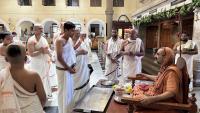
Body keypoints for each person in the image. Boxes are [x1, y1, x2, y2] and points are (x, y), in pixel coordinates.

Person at [133, 47, 182, 113]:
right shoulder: (166, 67)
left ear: (166, 57)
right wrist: (145, 75)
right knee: (136, 90)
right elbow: (158, 78)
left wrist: (152, 99)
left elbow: (171, 93)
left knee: (135, 99)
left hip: (165, 104)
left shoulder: (171, 72)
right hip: (158, 95)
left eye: (158, 54)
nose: (155, 56)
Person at [0, 43, 46, 113]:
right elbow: (43, 98)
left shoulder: (2, 75)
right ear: (26, 58)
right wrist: (37, 109)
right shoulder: (34, 76)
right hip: (33, 109)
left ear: (6, 59)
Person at [55, 21, 76, 113]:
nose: (73, 33)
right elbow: (59, 57)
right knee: (63, 91)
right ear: (66, 30)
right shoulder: (60, 40)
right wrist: (69, 68)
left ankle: (68, 109)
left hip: (68, 69)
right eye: (71, 31)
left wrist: (73, 65)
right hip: (63, 70)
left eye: (73, 30)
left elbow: (70, 54)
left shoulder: (70, 40)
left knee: (69, 91)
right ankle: (63, 110)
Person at [27, 24, 52, 97]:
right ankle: (38, 94)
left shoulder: (43, 39)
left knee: (46, 77)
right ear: (35, 30)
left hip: (44, 61)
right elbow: (30, 54)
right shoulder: (31, 40)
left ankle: (45, 93)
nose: (42, 30)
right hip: (36, 63)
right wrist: (41, 51)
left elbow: (47, 49)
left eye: (42, 28)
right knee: (38, 79)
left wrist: (49, 53)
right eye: (40, 28)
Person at [71, 30, 90, 105]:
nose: (78, 35)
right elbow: (68, 56)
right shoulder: (69, 42)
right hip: (75, 68)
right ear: (72, 33)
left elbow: (86, 51)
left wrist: (84, 52)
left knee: (84, 83)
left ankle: (84, 102)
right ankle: (75, 103)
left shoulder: (81, 42)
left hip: (83, 67)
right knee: (76, 85)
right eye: (76, 34)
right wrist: (79, 53)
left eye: (79, 33)